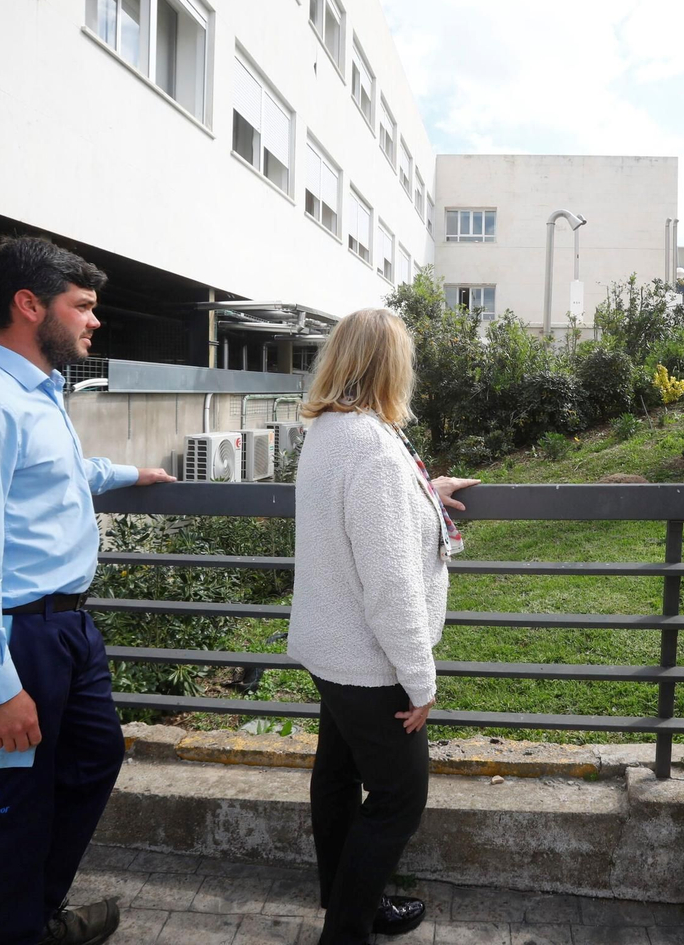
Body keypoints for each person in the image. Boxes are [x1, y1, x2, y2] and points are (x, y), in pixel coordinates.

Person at [0, 237, 177, 945]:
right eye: (82, 306)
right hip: (9, 637)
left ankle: (30, 918)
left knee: (93, 760)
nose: (95, 320)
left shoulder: (36, 393)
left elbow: (52, 477)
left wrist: (123, 473)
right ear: (29, 305)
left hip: (63, 630)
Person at [286, 308, 479, 945]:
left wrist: (422, 491)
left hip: (330, 648)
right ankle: (345, 931)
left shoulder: (331, 430)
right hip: (368, 662)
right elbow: (391, 582)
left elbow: (370, 511)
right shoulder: (371, 447)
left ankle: (350, 903)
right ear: (391, 366)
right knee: (399, 798)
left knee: (338, 779)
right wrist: (420, 680)